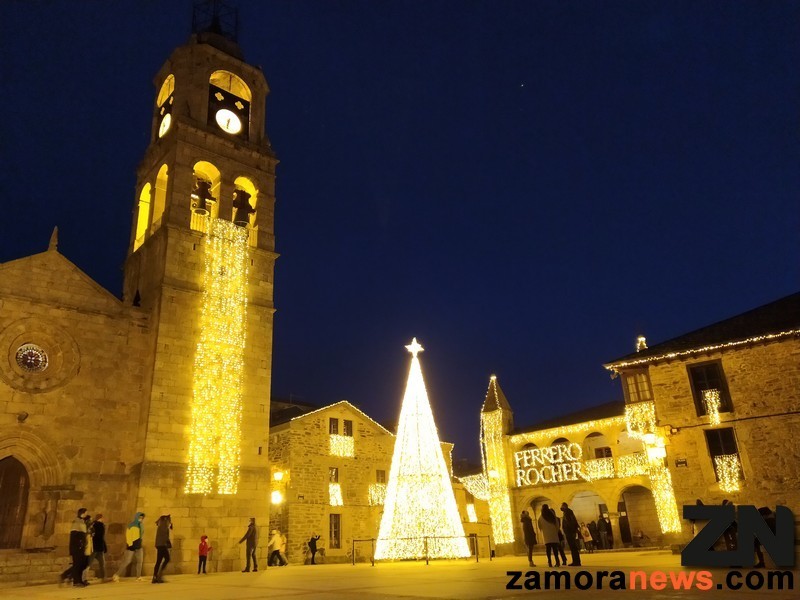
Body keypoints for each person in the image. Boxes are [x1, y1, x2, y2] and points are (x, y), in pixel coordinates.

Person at [112, 512, 145, 582]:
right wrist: (130, 544)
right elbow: (128, 535)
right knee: (127, 561)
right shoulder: (131, 525)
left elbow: (141, 535)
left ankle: (138, 576)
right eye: (140, 517)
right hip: (132, 546)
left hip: (139, 545)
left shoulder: (141, 525)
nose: (141, 519)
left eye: (142, 518)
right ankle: (116, 575)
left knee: (140, 561)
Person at [61, 508, 89, 587]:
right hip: (77, 547)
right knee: (77, 564)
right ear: (82, 513)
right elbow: (74, 535)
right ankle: (76, 581)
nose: (87, 514)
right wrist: (80, 543)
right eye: (86, 512)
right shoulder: (76, 522)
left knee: (82, 564)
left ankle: (77, 579)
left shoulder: (82, 521)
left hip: (81, 547)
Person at [152, 515, 172, 583]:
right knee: (167, 558)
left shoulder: (160, 526)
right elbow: (165, 537)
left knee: (158, 561)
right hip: (162, 545)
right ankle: (159, 576)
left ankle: (155, 577)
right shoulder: (164, 526)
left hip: (159, 545)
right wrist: (169, 544)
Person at [88, 514, 108, 581]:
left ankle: (103, 577)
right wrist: (104, 546)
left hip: (95, 547)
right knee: (101, 563)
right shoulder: (100, 525)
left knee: (99, 563)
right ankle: (103, 578)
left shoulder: (93, 525)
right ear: (100, 518)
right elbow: (101, 537)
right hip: (98, 547)